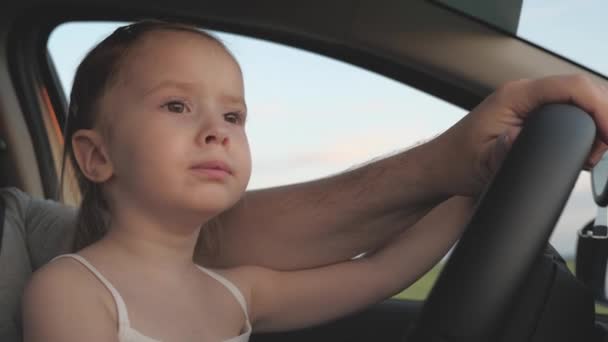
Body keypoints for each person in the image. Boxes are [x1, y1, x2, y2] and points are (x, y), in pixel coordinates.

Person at [14, 20, 608, 341]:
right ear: (96, 158)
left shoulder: (235, 292)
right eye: (176, 106)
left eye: (233, 115)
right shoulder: (70, 292)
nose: (217, 131)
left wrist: (477, 186)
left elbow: (376, 273)